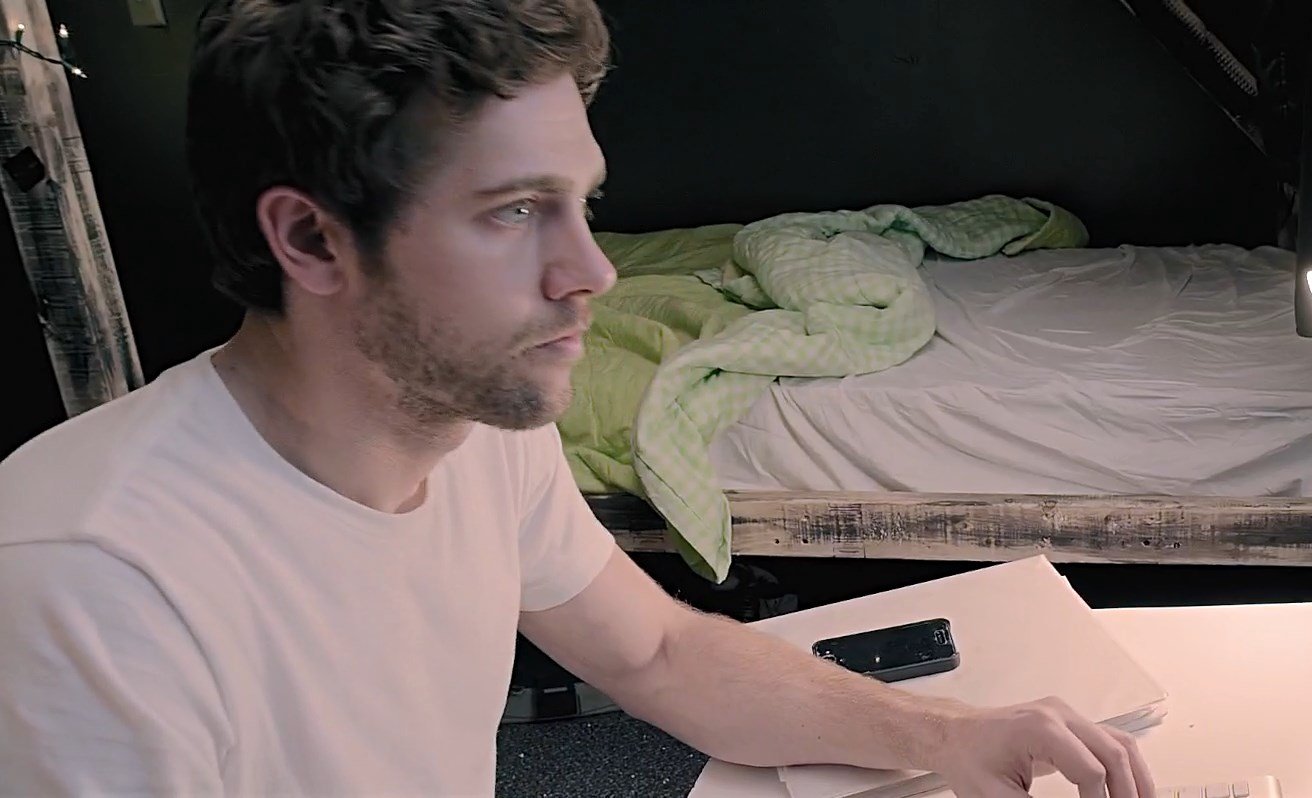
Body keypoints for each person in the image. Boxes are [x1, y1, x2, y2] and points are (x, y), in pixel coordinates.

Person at [0, 1, 1155, 796]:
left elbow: (659, 653)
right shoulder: (93, 580)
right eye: (514, 212)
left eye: (582, 204)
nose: (591, 273)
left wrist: (949, 735)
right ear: (311, 239)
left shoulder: (475, 427)